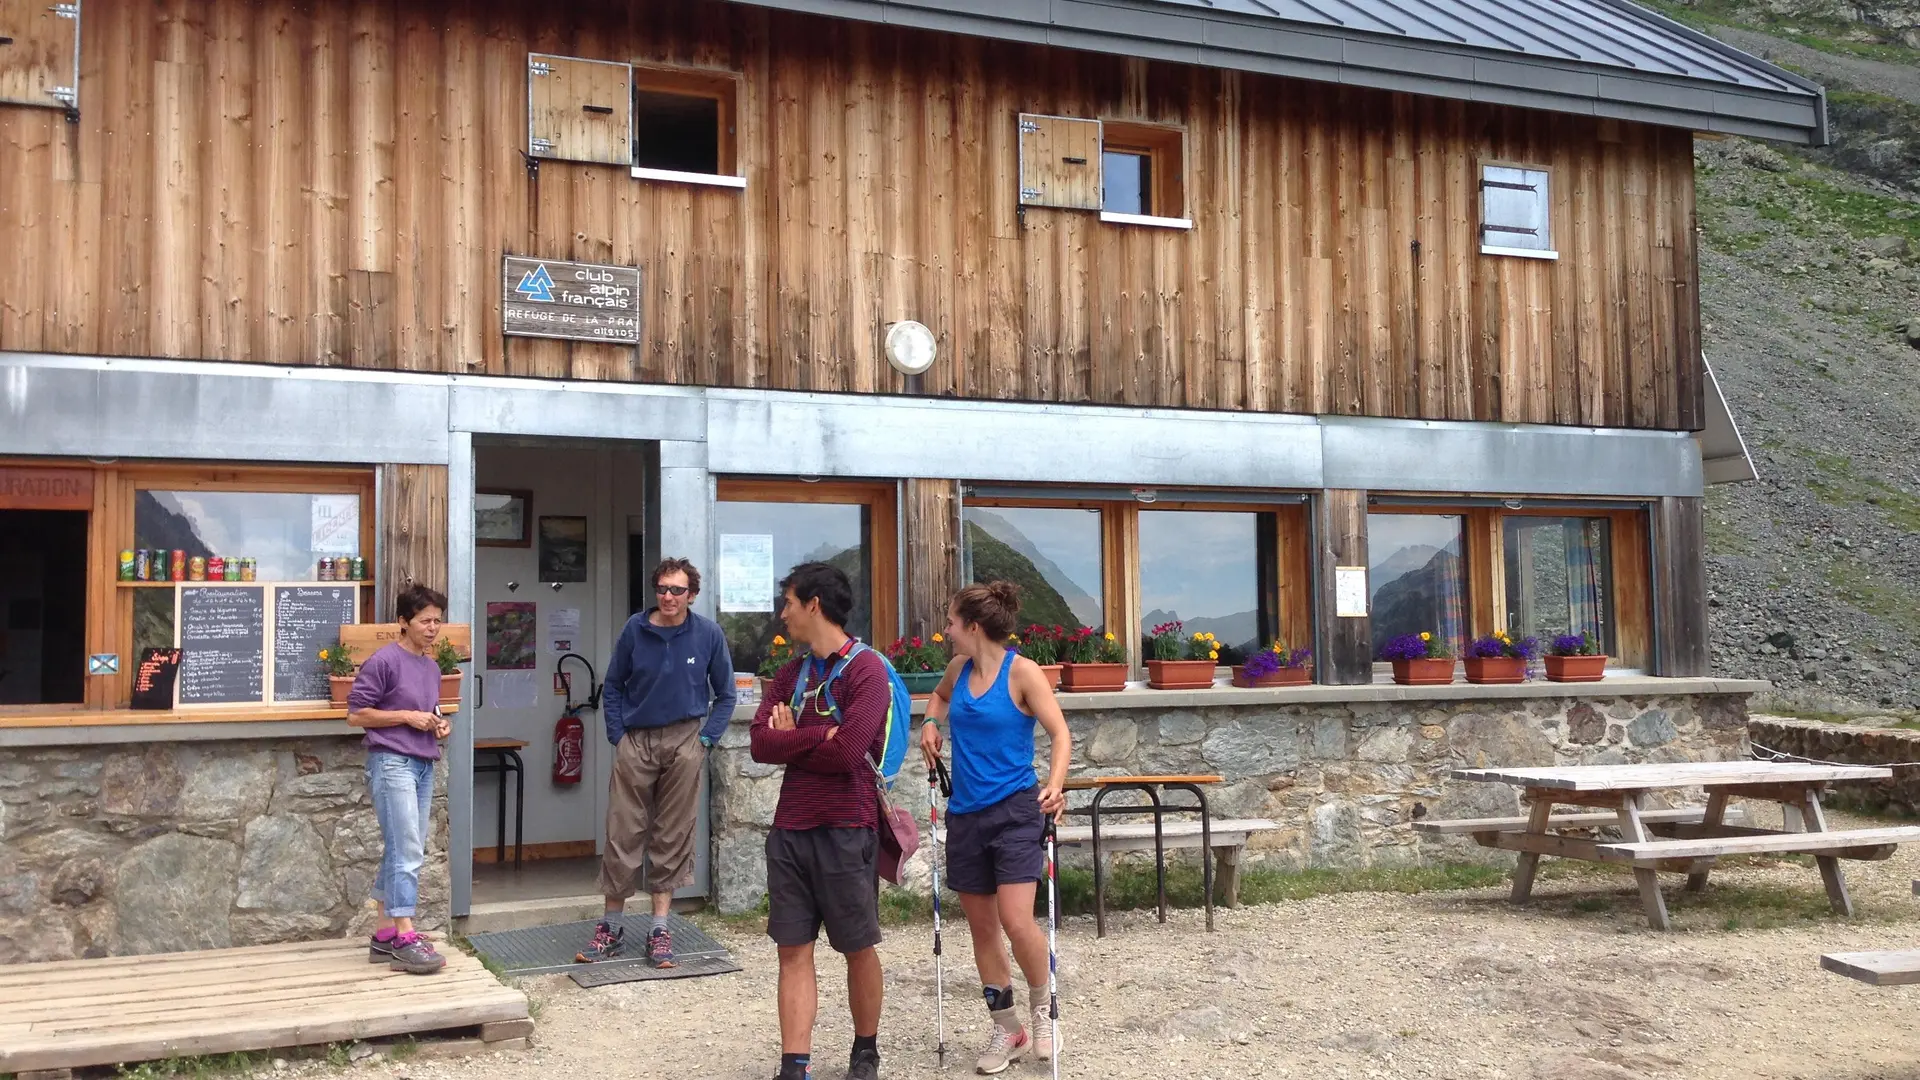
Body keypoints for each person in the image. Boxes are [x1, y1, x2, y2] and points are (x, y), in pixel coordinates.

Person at [919, 582, 1071, 1075]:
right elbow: (937, 700)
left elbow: (1060, 732)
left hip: (1015, 812)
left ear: (973, 627)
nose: (945, 630)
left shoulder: (1022, 673)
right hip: (965, 814)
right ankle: (1007, 1028)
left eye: (950, 622)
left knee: (1016, 919)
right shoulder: (958, 670)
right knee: (983, 928)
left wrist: (1054, 784)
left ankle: (1044, 1010)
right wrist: (929, 724)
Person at [751, 562, 893, 1080]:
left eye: (788, 602)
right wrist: (817, 737)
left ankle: (865, 1051)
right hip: (791, 829)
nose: (783, 614)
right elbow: (760, 745)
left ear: (813, 604)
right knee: (792, 950)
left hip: (847, 826)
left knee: (857, 946)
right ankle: (794, 1065)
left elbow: (851, 753)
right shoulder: (790, 674)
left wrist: (796, 738)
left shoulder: (866, 670)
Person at [579, 557, 736, 967]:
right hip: (637, 739)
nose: (668, 597)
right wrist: (619, 736)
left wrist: (704, 740)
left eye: (677, 590)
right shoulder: (636, 629)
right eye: (663, 589)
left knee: (673, 833)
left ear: (692, 595)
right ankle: (611, 925)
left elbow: (726, 695)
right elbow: (612, 686)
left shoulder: (708, 634)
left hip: (685, 737)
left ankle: (659, 929)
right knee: (623, 829)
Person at [347, 584, 454, 976]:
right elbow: (356, 714)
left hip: (423, 763)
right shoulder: (384, 661)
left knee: (402, 846)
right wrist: (408, 717)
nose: (432, 628)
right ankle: (405, 933)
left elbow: (430, 710)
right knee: (408, 848)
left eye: (437, 621)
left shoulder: (431, 667)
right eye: (425, 621)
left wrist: (437, 724)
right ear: (403, 622)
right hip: (391, 762)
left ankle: (383, 935)